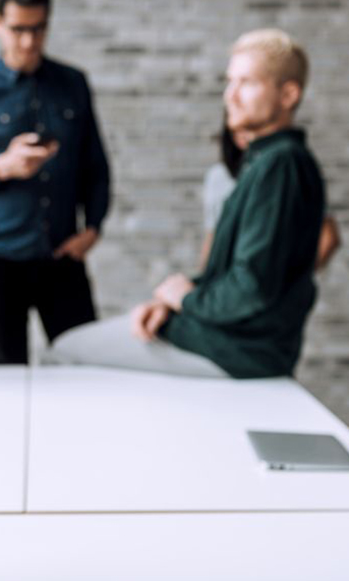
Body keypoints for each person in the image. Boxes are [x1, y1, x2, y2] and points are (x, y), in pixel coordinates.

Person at [48, 29, 325, 379]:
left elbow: (251, 287)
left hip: (239, 350)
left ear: (288, 94)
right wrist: (172, 302)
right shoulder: (268, 162)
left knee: (62, 355)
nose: (231, 96)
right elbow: (237, 276)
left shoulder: (280, 165)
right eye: (229, 82)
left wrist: (185, 301)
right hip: (229, 340)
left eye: (247, 83)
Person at [0, 0, 112, 365]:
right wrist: (1, 167)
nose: (28, 40)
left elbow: (96, 164)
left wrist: (93, 227)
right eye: (18, 28)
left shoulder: (73, 83)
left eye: (38, 29)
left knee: (86, 366)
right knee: (6, 376)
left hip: (61, 255)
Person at [198, 116, 340, 271]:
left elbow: (329, 237)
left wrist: (290, 282)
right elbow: (213, 238)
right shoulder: (219, 176)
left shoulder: (287, 169)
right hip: (230, 286)